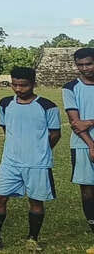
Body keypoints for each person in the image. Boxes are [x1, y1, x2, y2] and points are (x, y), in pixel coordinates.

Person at [0, 67, 60, 252]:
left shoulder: (48, 106)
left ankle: (32, 239)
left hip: (37, 163)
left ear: (33, 84)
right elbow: (6, 130)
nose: (18, 89)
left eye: (23, 85)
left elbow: (55, 133)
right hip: (10, 162)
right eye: (15, 84)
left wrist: (39, 150)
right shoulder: (5, 103)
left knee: (36, 201)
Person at [62, 47, 94, 254]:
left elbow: (83, 122)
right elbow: (75, 122)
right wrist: (91, 145)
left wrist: (90, 121)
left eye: (89, 64)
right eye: (80, 65)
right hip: (83, 144)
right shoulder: (70, 87)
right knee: (87, 189)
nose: (85, 69)